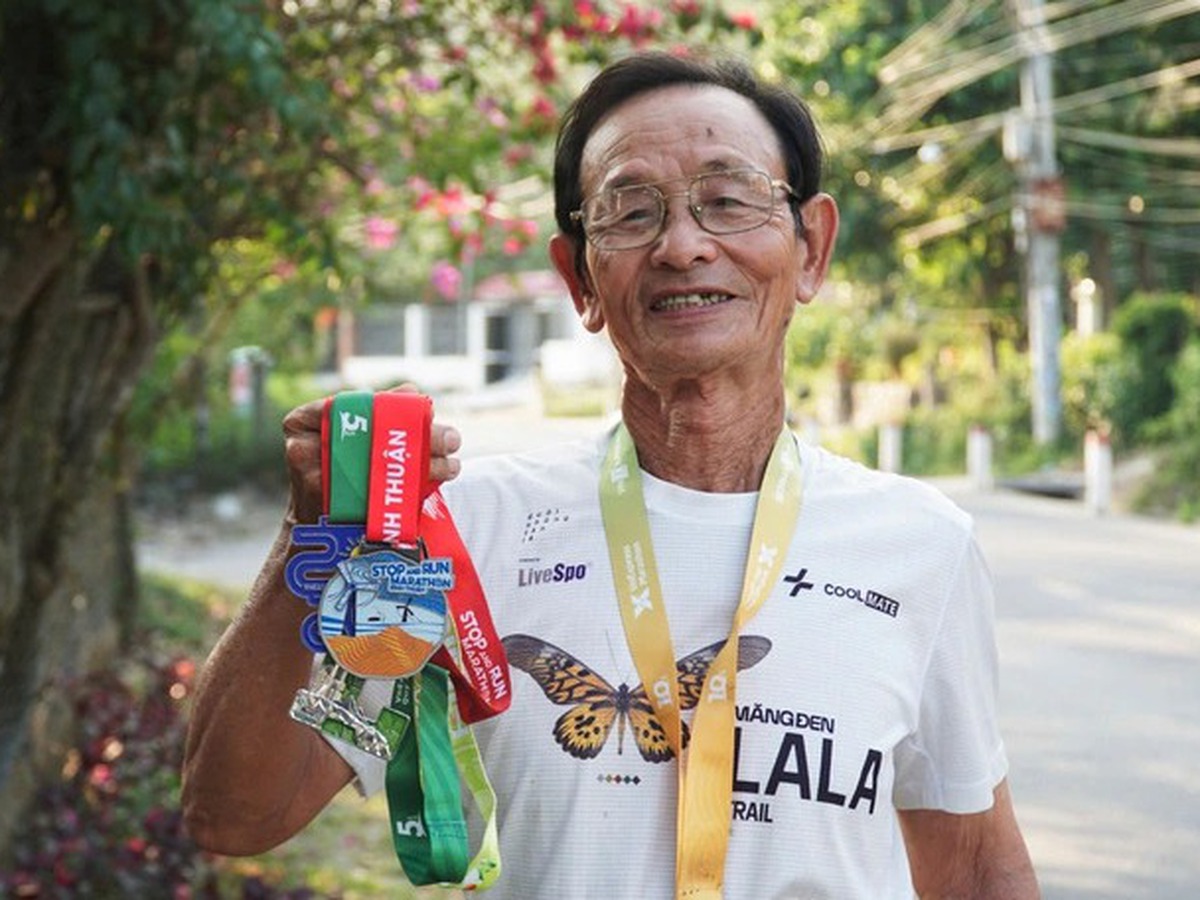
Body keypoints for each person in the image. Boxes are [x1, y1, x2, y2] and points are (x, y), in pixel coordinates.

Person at [182, 50, 1040, 899]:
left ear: (811, 248)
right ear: (579, 279)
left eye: (728, 200)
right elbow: (235, 816)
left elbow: (972, 865)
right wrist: (316, 531)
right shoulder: (464, 533)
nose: (682, 245)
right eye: (630, 212)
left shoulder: (920, 547)